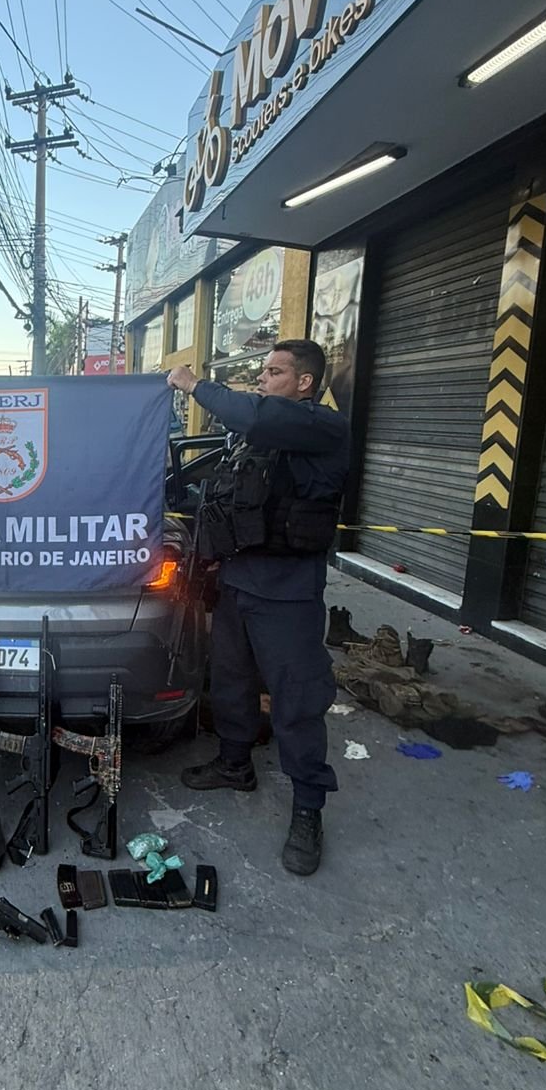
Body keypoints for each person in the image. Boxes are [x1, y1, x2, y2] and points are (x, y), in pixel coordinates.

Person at [166, 340, 349, 876]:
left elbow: (256, 413)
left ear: (305, 382)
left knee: (296, 699)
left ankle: (308, 808)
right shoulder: (261, 439)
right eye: (264, 372)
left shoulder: (319, 427)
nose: (263, 381)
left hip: (288, 590)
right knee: (230, 680)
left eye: (274, 372)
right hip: (241, 579)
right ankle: (234, 762)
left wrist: (194, 383)